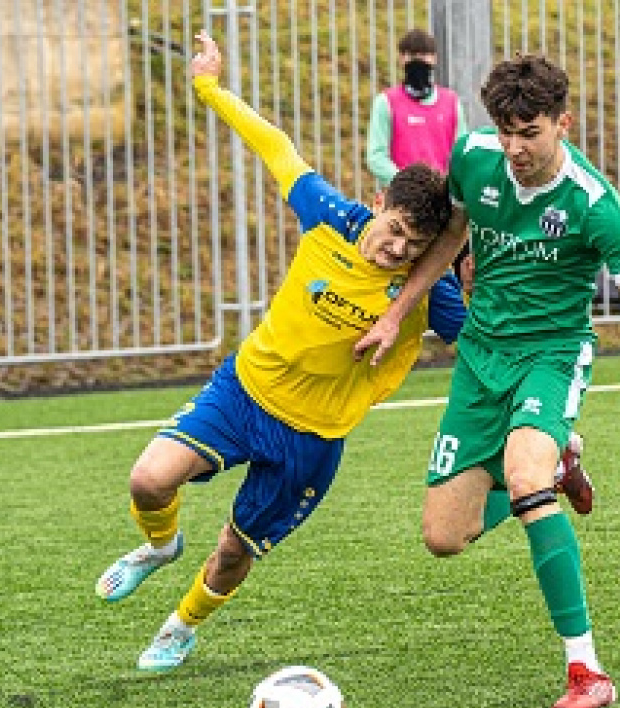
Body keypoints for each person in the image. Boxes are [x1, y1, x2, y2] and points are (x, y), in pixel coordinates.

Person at [95, 34, 592, 674]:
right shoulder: (328, 214)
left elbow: (485, 337)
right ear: (377, 204)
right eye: (393, 232)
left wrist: (539, 405)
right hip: (243, 394)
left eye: (414, 245)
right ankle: (158, 548)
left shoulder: (427, 293)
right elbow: (275, 147)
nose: (396, 250)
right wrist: (209, 89)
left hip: (313, 438)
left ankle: (180, 627)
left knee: (233, 552)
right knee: (148, 478)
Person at [355, 53, 620, 708]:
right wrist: (396, 313)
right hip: (480, 358)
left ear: (563, 123)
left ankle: (586, 668)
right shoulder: (474, 157)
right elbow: (449, 238)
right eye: (505, 131)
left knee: (523, 474)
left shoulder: (593, 204)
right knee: (445, 537)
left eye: (528, 133)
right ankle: (557, 470)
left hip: (551, 356)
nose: (514, 147)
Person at [366, 28, 467, 187]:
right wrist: (408, 185)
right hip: (398, 198)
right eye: (412, 55)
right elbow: (376, 157)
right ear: (401, 58)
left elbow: (461, 155)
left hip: (440, 197)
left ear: (434, 58)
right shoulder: (385, 102)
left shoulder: (452, 102)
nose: (418, 61)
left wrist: (444, 186)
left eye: (424, 55)